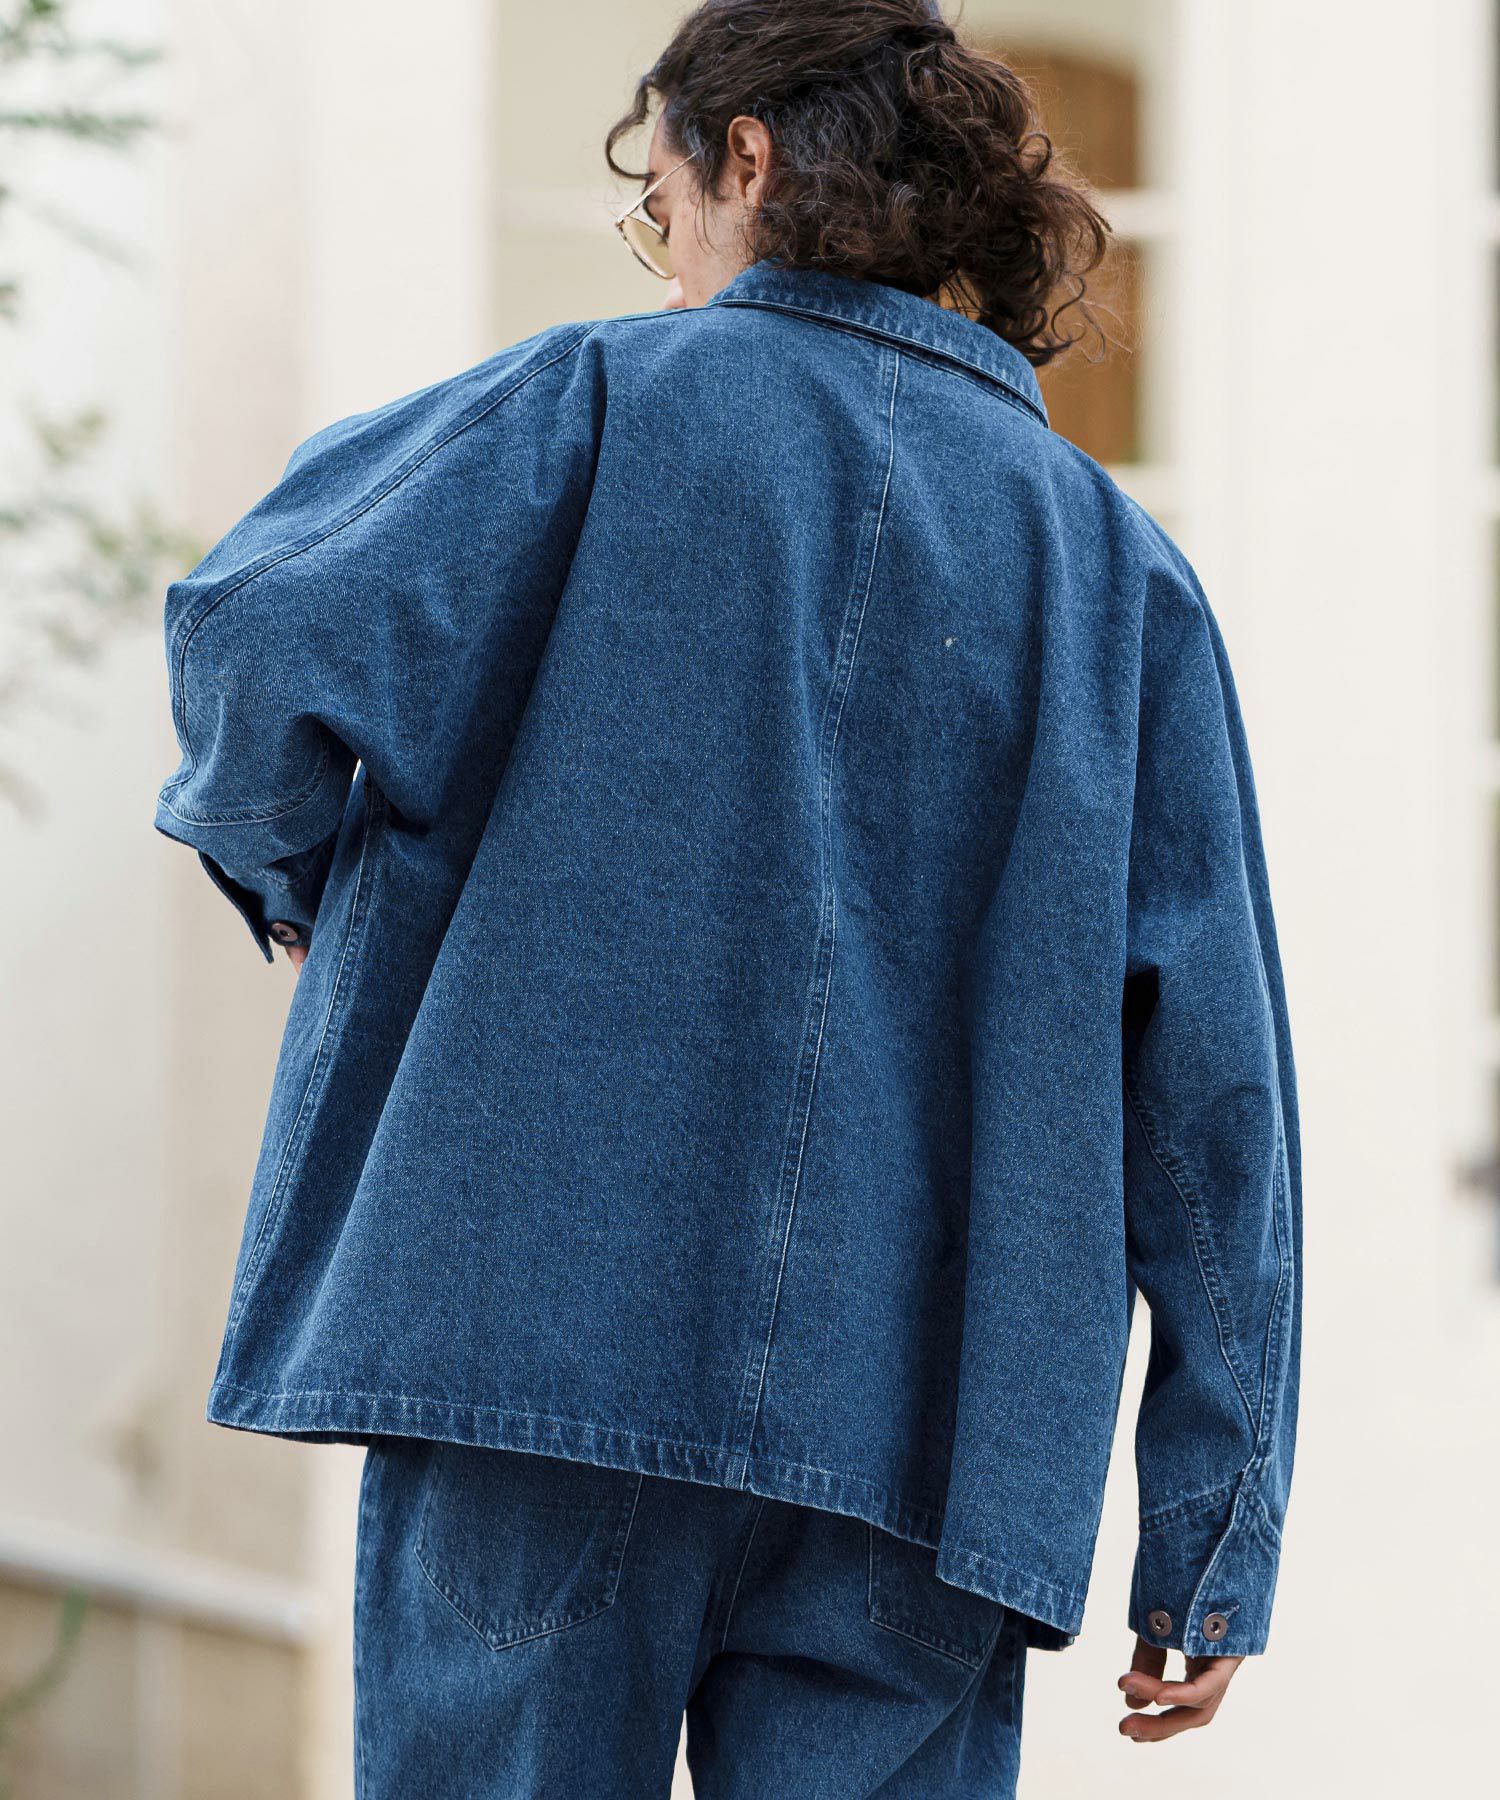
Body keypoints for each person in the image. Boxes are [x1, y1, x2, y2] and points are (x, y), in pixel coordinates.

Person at [152, 2, 1301, 1794]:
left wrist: (289, 865)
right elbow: (1214, 1097)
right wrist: (1216, 1525)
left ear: (745, 159)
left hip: (532, 1350)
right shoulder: (1118, 577)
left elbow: (255, 626)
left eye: (661, 208)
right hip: (927, 1427)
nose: (668, 260)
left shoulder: (582, 411)